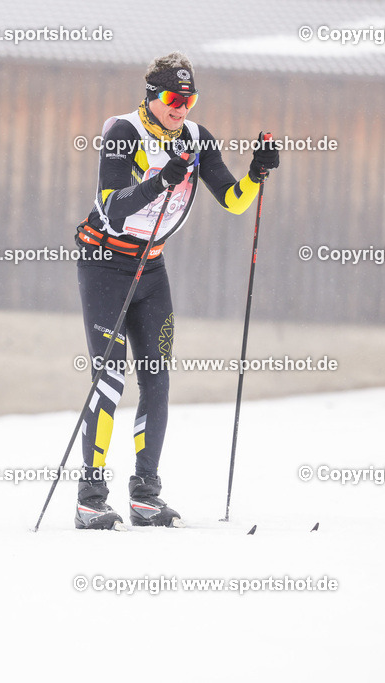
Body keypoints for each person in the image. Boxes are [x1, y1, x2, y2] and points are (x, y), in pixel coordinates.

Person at [73, 51, 278, 530]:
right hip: (105, 262)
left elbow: (232, 201)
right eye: (172, 98)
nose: (181, 107)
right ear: (152, 97)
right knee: (110, 379)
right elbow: (110, 208)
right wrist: (159, 181)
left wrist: (256, 172)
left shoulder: (197, 139)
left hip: (151, 267)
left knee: (158, 379)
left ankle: (146, 495)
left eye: (189, 99)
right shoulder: (125, 133)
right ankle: (90, 497)